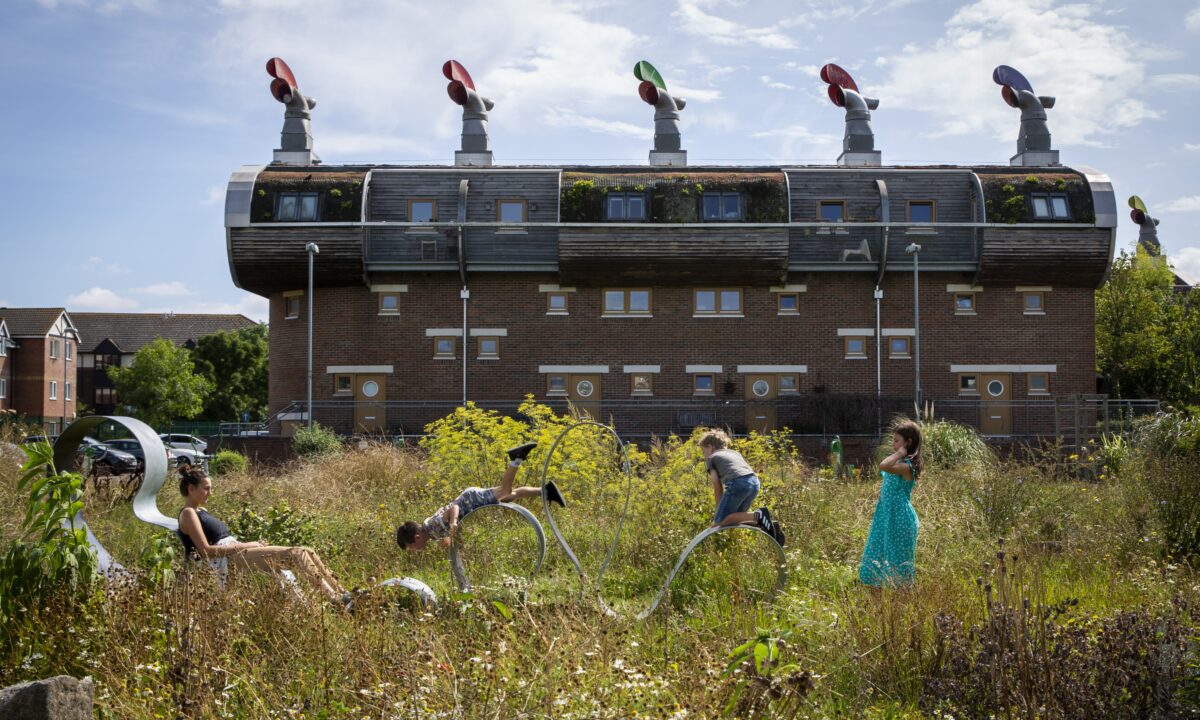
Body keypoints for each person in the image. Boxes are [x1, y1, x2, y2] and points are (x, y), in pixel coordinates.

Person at [176, 465, 352, 608]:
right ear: (191, 489)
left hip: (233, 553)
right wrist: (248, 545)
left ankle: (343, 593)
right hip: (223, 561)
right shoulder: (188, 513)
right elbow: (206, 551)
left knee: (307, 551)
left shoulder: (201, 511)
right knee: (296, 553)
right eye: (206, 489)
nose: (210, 493)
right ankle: (335, 599)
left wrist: (247, 545)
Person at [396, 442, 565, 551]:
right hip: (470, 499)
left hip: (470, 500)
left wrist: (454, 523)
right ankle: (546, 491)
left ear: (416, 538)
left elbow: (453, 507)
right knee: (511, 495)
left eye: (411, 547)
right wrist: (450, 536)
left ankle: (516, 458)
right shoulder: (432, 533)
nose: (414, 550)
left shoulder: (431, 527)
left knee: (505, 491)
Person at [859, 420, 922, 587]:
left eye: (896, 441)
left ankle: (902, 606)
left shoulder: (906, 466)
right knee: (876, 556)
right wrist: (899, 452)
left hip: (899, 518)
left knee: (898, 564)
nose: (893, 444)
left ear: (908, 443)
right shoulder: (899, 464)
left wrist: (900, 453)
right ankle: (879, 607)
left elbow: (883, 465)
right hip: (886, 517)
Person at [699, 429, 784, 545]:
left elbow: (717, 485)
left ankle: (759, 515)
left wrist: (719, 514)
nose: (704, 455)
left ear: (710, 447)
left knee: (721, 520)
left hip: (738, 484)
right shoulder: (734, 453)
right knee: (735, 520)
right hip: (754, 483)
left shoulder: (712, 457)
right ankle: (768, 524)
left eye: (703, 451)